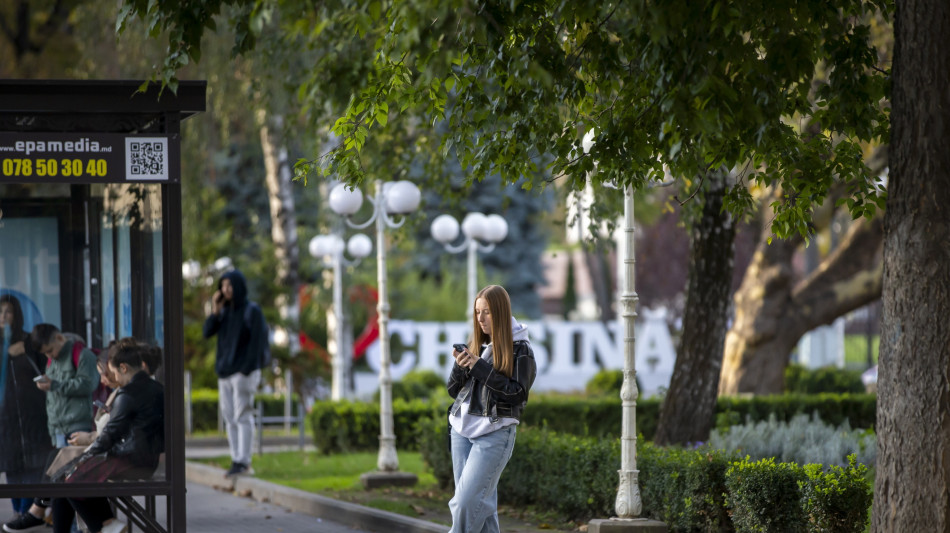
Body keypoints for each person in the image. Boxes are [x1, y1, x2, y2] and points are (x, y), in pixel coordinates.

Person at [446, 285, 537, 533]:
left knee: (465, 505)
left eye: (487, 312)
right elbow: (454, 391)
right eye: (477, 312)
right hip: (461, 432)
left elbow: (517, 395)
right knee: (482, 511)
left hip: (494, 434)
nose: (481, 319)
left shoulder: (521, 350)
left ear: (500, 312)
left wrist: (479, 368)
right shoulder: (477, 344)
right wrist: (461, 365)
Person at [50, 340, 164, 533]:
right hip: (146, 458)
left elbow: (110, 434)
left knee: (69, 480)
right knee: (64, 479)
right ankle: (107, 524)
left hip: (130, 459)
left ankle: (106, 525)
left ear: (123, 367)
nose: (114, 377)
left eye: (113, 372)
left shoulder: (128, 394)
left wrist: (85, 458)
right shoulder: (156, 387)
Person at [3, 324, 99, 533]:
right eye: (46, 353)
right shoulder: (53, 359)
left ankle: (50, 518)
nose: (49, 355)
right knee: (59, 483)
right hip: (57, 426)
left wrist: (55, 385)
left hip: (76, 426)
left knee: (68, 482)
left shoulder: (82, 355)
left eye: (50, 350)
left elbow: (88, 384)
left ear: (59, 338)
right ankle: (55, 522)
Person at [202, 269, 268, 477]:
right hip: (225, 373)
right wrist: (215, 309)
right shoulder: (223, 312)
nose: (225, 289)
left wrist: (245, 369)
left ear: (238, 287)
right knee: (230, 417)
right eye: (223, 286)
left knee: (243, 416)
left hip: (243, 373)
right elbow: (207, 332)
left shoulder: (252, 311)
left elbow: (258, 342)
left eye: (229, 285)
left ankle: (244, 461)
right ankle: (235, 459)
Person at [0, 296, 54, 522]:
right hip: (6, 416)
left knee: (35, 464)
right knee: (12, 466)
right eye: (0, 311)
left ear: (16, 315)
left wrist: (27, 349)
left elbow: (46, 369)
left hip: (33, 412)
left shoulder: (28, 340)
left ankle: (31, 512)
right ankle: (19, 512)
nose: (3, 316)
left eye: (8, 312)